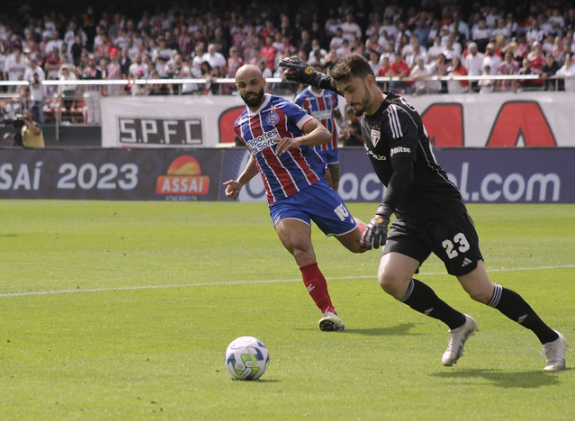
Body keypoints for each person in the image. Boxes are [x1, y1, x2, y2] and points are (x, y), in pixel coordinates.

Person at [279, 54, 567, 371]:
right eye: (343, 91)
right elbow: (331, 82)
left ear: (371, 82)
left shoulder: (397, 116)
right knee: (391, 279)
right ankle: (458, 324)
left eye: (350, 90)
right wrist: (309, 75)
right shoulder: (364, 101)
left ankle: (551, 339)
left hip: (442, 212)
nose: (347, 98)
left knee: (479, 290)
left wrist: (381, 215)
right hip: (410, 215)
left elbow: (404, 172)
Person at [224, 64, 367, 332]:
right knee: (301, 250)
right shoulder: (240, 124)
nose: (249, 90)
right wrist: (240, 182)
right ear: (237, 88)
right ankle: (329, 312)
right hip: (281, 200)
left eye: (253, 83)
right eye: (243, 86)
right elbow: (259, 155)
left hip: (312, 187)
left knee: (359, 246)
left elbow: (323, 133)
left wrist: (298, 141)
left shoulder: (282, 108)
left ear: (263, 81)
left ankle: (362, 225)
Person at [294, 64, 346, 191]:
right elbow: (295, 123)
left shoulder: (331, 94)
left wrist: (344, 127)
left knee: (335, 181)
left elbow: (337, 114)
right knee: (322, 181)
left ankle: (333, 208)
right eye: (312, 74)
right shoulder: (301, 98)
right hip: (314, 147)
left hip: (332, 145)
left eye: (318, 73)